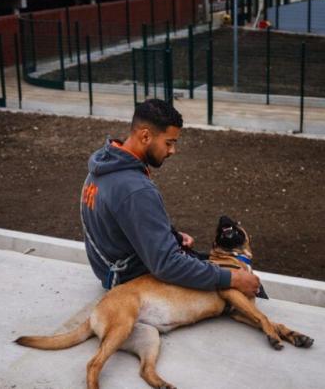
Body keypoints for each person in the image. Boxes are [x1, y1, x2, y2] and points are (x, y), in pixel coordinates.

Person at [80, 99, 260, 297]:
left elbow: (118, 222)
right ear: (146, 136)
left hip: (109, 269)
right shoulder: (136, 189)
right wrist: (231, 278)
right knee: (244, 284)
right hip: (131, 282)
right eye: (169, 143)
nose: (172, 151)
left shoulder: (103, 167)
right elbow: (167, 265)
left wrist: (167, 235)